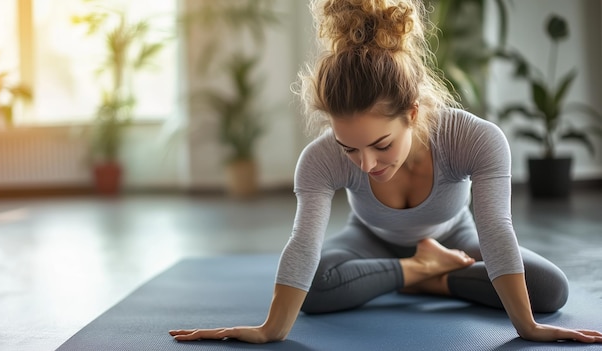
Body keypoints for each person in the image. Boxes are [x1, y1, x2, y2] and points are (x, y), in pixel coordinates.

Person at [170, 0, 602, 344]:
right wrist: (269, 330)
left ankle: (423, 275)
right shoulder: (319, 159)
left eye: (381, 145)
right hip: (369, 240)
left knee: (549, 289)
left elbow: (496, 230)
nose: (367, 163)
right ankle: (420, 270)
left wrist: (527, 327)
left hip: (456, 236)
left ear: (412, 113)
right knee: (316, 288)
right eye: (349, 148)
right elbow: (303, 244)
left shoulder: (474, 138)